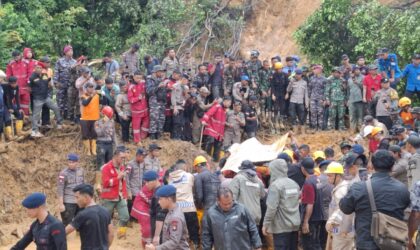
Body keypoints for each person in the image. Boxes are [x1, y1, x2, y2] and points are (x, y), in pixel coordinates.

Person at [340, 150, 410, 250]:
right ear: (393, 166)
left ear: (371, 165)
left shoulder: (359, 187)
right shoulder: (402, 189)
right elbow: (408, 214)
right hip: (393, 243)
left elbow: (345, 208)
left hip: (367, 243)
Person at [262, 159, 301, 250]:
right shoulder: (294, 184)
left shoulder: (275, 186)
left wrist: (266, 224)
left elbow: (271, 208)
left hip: (281, 228)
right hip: (294, 225)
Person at [65, 184, 114, 250]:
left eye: (77, 197)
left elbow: (65, 231)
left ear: (86, 197)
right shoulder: (105, 211)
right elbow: (111, 234)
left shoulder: (83, 214)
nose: (76, 201)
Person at [145, 185, 190, 250]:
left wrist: (156, 248)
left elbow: (174, 241)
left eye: (160, 199)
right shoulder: (172, 210)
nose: (158, 202)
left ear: (168, 199)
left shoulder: (175, 218)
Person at [167, 160, 199, 247]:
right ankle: (195, 246)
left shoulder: (170, 177)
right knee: (193, 231)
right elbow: (193, 189)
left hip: (176, 210)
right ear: (184, 167)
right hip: (189, 208)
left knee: (178, 233)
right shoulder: (189, 176)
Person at [100, 147, 130, 239]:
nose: (124, 159)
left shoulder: (122, 166)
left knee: (125, 216)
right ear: (116, 156)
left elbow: (123, 182)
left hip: (120, 196)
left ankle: (121, 235)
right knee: (106, 218)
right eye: (122, 157)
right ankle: (103, 236)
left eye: (124, 158)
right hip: (109, 197)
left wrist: (125, 193)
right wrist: (117, 178)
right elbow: (105, 183)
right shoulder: (106, 168)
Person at [324, 162, 354, 250]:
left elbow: (342, 210)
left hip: (341, 231)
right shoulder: (340, 188)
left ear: (338, 176)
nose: (328, 178)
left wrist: (331, 222)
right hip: (341, 229)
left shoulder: (342, 191)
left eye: (330, 175)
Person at [30, 63, 63, 137]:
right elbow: (29, 88)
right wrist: (35, 94)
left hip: (46, 97)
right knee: (36, 115)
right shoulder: (32, 77)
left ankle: (59, 123)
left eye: (40, 68)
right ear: (35, 68)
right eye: (37, 68)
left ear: (42, 69)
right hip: (38, 99)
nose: (39, 69)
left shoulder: (44, 75)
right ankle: (34, 131)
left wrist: (53, 85)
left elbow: (49, 83)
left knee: (56, 108)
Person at [229, 160, 266, 225]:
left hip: (242, 216)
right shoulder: (259, 181)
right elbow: (263, 195)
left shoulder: (238, 179)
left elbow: (231, 197)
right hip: (256, 216)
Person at [131, 170, 161, 247]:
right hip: (140, 205)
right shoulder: (147, 189)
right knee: (147, 224)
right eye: (145, 182)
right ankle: (146, 244)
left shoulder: (159, 187)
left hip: (148, 205)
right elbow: (151, 202)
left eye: (148, 182)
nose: (146, 184)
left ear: (155, 180)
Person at [300, 157, 324, 250]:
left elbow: (310, 204)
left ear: (303, 168)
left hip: (311, 219)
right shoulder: (317, 179)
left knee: (309, 245)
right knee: (316, 244)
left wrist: (306, 222)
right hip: (319, 216)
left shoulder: (308, 182)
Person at [57, 153, 85, 226]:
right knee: (67, 223)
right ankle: (67, 237)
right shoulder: (63, 174)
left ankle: (78, 237)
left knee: (81, 222)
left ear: (77, 162)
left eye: (73, 162)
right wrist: (61, 204)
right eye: (69, 162)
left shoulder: (81, 171)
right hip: (69, 202)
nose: (71, 164)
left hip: (80, 201)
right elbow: (60, 189)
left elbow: (83, 185)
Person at [201, 97, 231, 161]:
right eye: (229, 103)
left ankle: (215, 162)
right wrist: (204, 120)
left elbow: (222, 123)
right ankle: (207, 159)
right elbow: (208, 113)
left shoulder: (224, 111)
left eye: (230, 103)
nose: (229, 105)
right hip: (212, 129)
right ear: (225, 101)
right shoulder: (217, 106)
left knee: (217, 147)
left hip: (219, 133)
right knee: (210, 143)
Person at [54, 45, 77, 119]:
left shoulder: (74, 62)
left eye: (72, 51)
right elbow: (56, 72)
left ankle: (67, 116)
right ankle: (59, 117)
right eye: (70, 51)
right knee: (60, 101)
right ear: (66, 52)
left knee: (69, 101)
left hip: (70, 85)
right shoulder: (60, 61)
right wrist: (55, 82)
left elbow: (76, 73)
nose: (71, 52)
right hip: (61, 84)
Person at [128, 70, 149, 144]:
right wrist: (138, 98)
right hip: (136, 110)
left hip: (145, 108)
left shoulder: (143, 83)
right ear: (133, 77)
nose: (139, 80)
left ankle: (143, 137)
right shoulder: (131, 87)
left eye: (140, 78)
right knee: (136, 126)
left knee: (146, 123)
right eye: (137, 78)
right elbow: (130, 100)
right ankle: (137, 140)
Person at [6, 50, 30, 116]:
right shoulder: (11, 64)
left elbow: (29, 73)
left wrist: (28, 82)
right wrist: (10, 84)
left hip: (25, 87)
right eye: (14, 57)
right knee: (16, 102)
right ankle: (18, 117)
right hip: (15, 87)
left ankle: (26, 117)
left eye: (17, 56)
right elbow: (8, 75)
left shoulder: (26, 62)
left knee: (25, 103)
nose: (16, 58)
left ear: (20, 55)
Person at [147, 65, 167, 140]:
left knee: (161, 118)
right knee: (154, 118)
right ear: (156, 72)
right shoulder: (150, 79)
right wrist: (158, 86)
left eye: (162, 72)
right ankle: (152, 134)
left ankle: (159, 133)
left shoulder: (161, 78)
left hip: (162, 101)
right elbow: (149, 91)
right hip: (154, 101)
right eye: (160, 71)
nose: (162, 73)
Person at [80, 82, 101, 155]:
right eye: (89, 87)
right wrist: (91, 96)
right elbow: (85, 103)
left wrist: (103, 94)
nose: (91, 88)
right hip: (85, 118)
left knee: (94, 134)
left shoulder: (97, 96)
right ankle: (88, 150)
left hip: (95, 118)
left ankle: (94, 150)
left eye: (92, 87)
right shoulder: (83, 96)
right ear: (86, 88)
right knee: (85, 135)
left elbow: (104, 101)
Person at [126, 148, 147, 220]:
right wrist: (128, 191)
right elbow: (127, 178)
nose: (143, 159)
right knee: (131, 204)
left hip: (139, 188)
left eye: (144, 157)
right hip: (132, 188)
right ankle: (130, 219)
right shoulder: (130, 164)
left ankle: (136, 218)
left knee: (138, 204)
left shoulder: (143, 164)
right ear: (137, 156)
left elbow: (143, 175)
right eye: (142, 157)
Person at [308, 65, 327, 131]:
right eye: (314, 69)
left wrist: (324, 99)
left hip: (320, 98)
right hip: (313, 98)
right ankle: (314, 127)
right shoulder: (311, 78)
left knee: (320, 113)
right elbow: (309, 88)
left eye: (316, 69)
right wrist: (309, 97)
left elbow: (326, 90)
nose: (314, 70)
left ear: (320, 70)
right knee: (313, 112)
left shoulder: (324, 79)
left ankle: (320, 128)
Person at [271, 62, 289, 130]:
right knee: (275, 108)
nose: (279, 70)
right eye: (278, 69)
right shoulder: (274, 75)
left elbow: (287, 85)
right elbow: (272, 85)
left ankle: (281, 122)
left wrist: (287, 93)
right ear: (276, 69)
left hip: (283, 93)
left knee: (282, 108)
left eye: (280, 69)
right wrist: (273, 94)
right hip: (276, 93)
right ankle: (276, 122)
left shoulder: (285, 75)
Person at [171, 73, 189, 140]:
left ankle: (179, 136)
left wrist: (185, 99)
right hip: (176, 105)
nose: (186, 81)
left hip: (182, 106)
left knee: (181, 122)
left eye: (187, 80)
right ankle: (175, 137)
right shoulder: (175, 86)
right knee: (176, 122)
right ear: (182, 79)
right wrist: (174, 107)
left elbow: (186, 96)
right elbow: (173, 97)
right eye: (185, 80)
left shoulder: (186, 87)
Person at [347, 66, 365, 132]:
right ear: (353, 71)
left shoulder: (363, 77)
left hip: (360, 99)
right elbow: (348, 90)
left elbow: (363, 87)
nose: (357, 71)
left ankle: (360, 130)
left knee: (360, 116)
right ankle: (353, 129)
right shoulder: (349, 79)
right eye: (356, 70)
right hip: (351, 99)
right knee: (352, 115)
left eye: (358, 70)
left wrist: (356, 81)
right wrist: (347, 99)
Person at [258, 60, 272, 127]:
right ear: (263, 65)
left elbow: (272, 82)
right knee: (263, 105)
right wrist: (262, 91)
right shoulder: (260, 72)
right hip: (263, 92)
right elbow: (259, 82)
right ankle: (263, 119)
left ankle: (269, 119)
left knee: (269, 105)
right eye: (266, 65)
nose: (267, 66)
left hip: (269, 91)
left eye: (268, 65)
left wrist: (270, 89)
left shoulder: (270, 71)